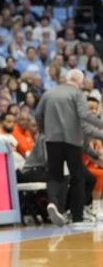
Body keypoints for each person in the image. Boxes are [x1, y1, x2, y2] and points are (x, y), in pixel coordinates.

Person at [35, 69, 103, 225]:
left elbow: (38, 114)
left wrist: (44, 131)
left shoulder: (49, 93)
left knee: (53, 175)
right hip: (72, 141)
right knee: (77, 177)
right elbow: (85, 117)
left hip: (52, 140)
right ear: (79, 81)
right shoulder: (77, 94)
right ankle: (77, 216)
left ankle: (53, 203)